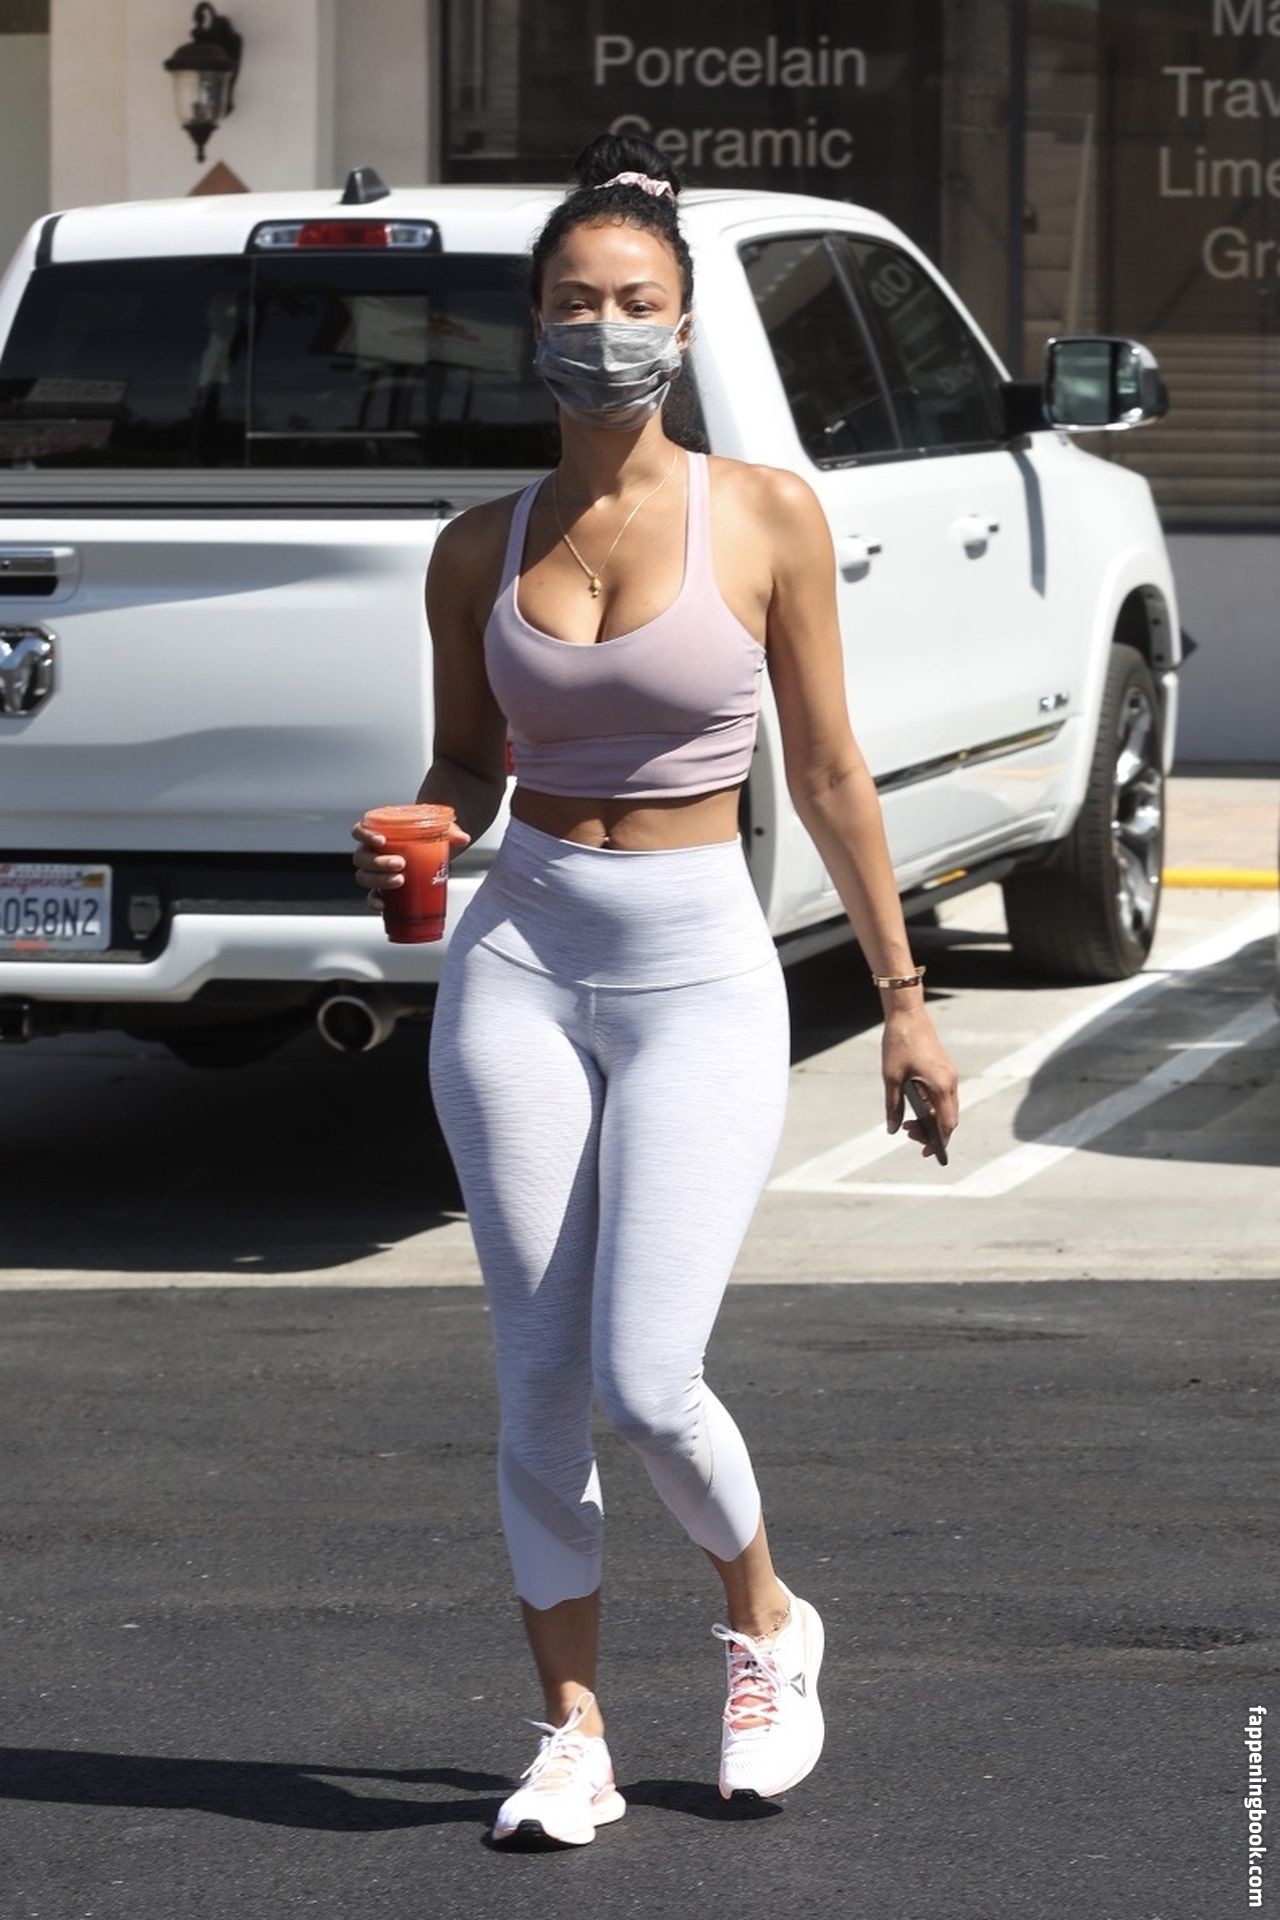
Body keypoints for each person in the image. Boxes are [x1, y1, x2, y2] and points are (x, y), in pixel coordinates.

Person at [351, 131, 959, 1850]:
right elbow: (467, 764)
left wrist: (904, 996)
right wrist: (420, 828)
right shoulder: (477, 547)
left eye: (634, 301)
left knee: (645, 1376)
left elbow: (828, 773)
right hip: (521, 957)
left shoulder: (764, 515)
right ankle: (573, 1735)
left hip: (698, 963)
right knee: (537, 1382)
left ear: (683, 328)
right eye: (573, 300)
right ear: (531, 324)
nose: (602, 326)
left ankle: (767, 1620)